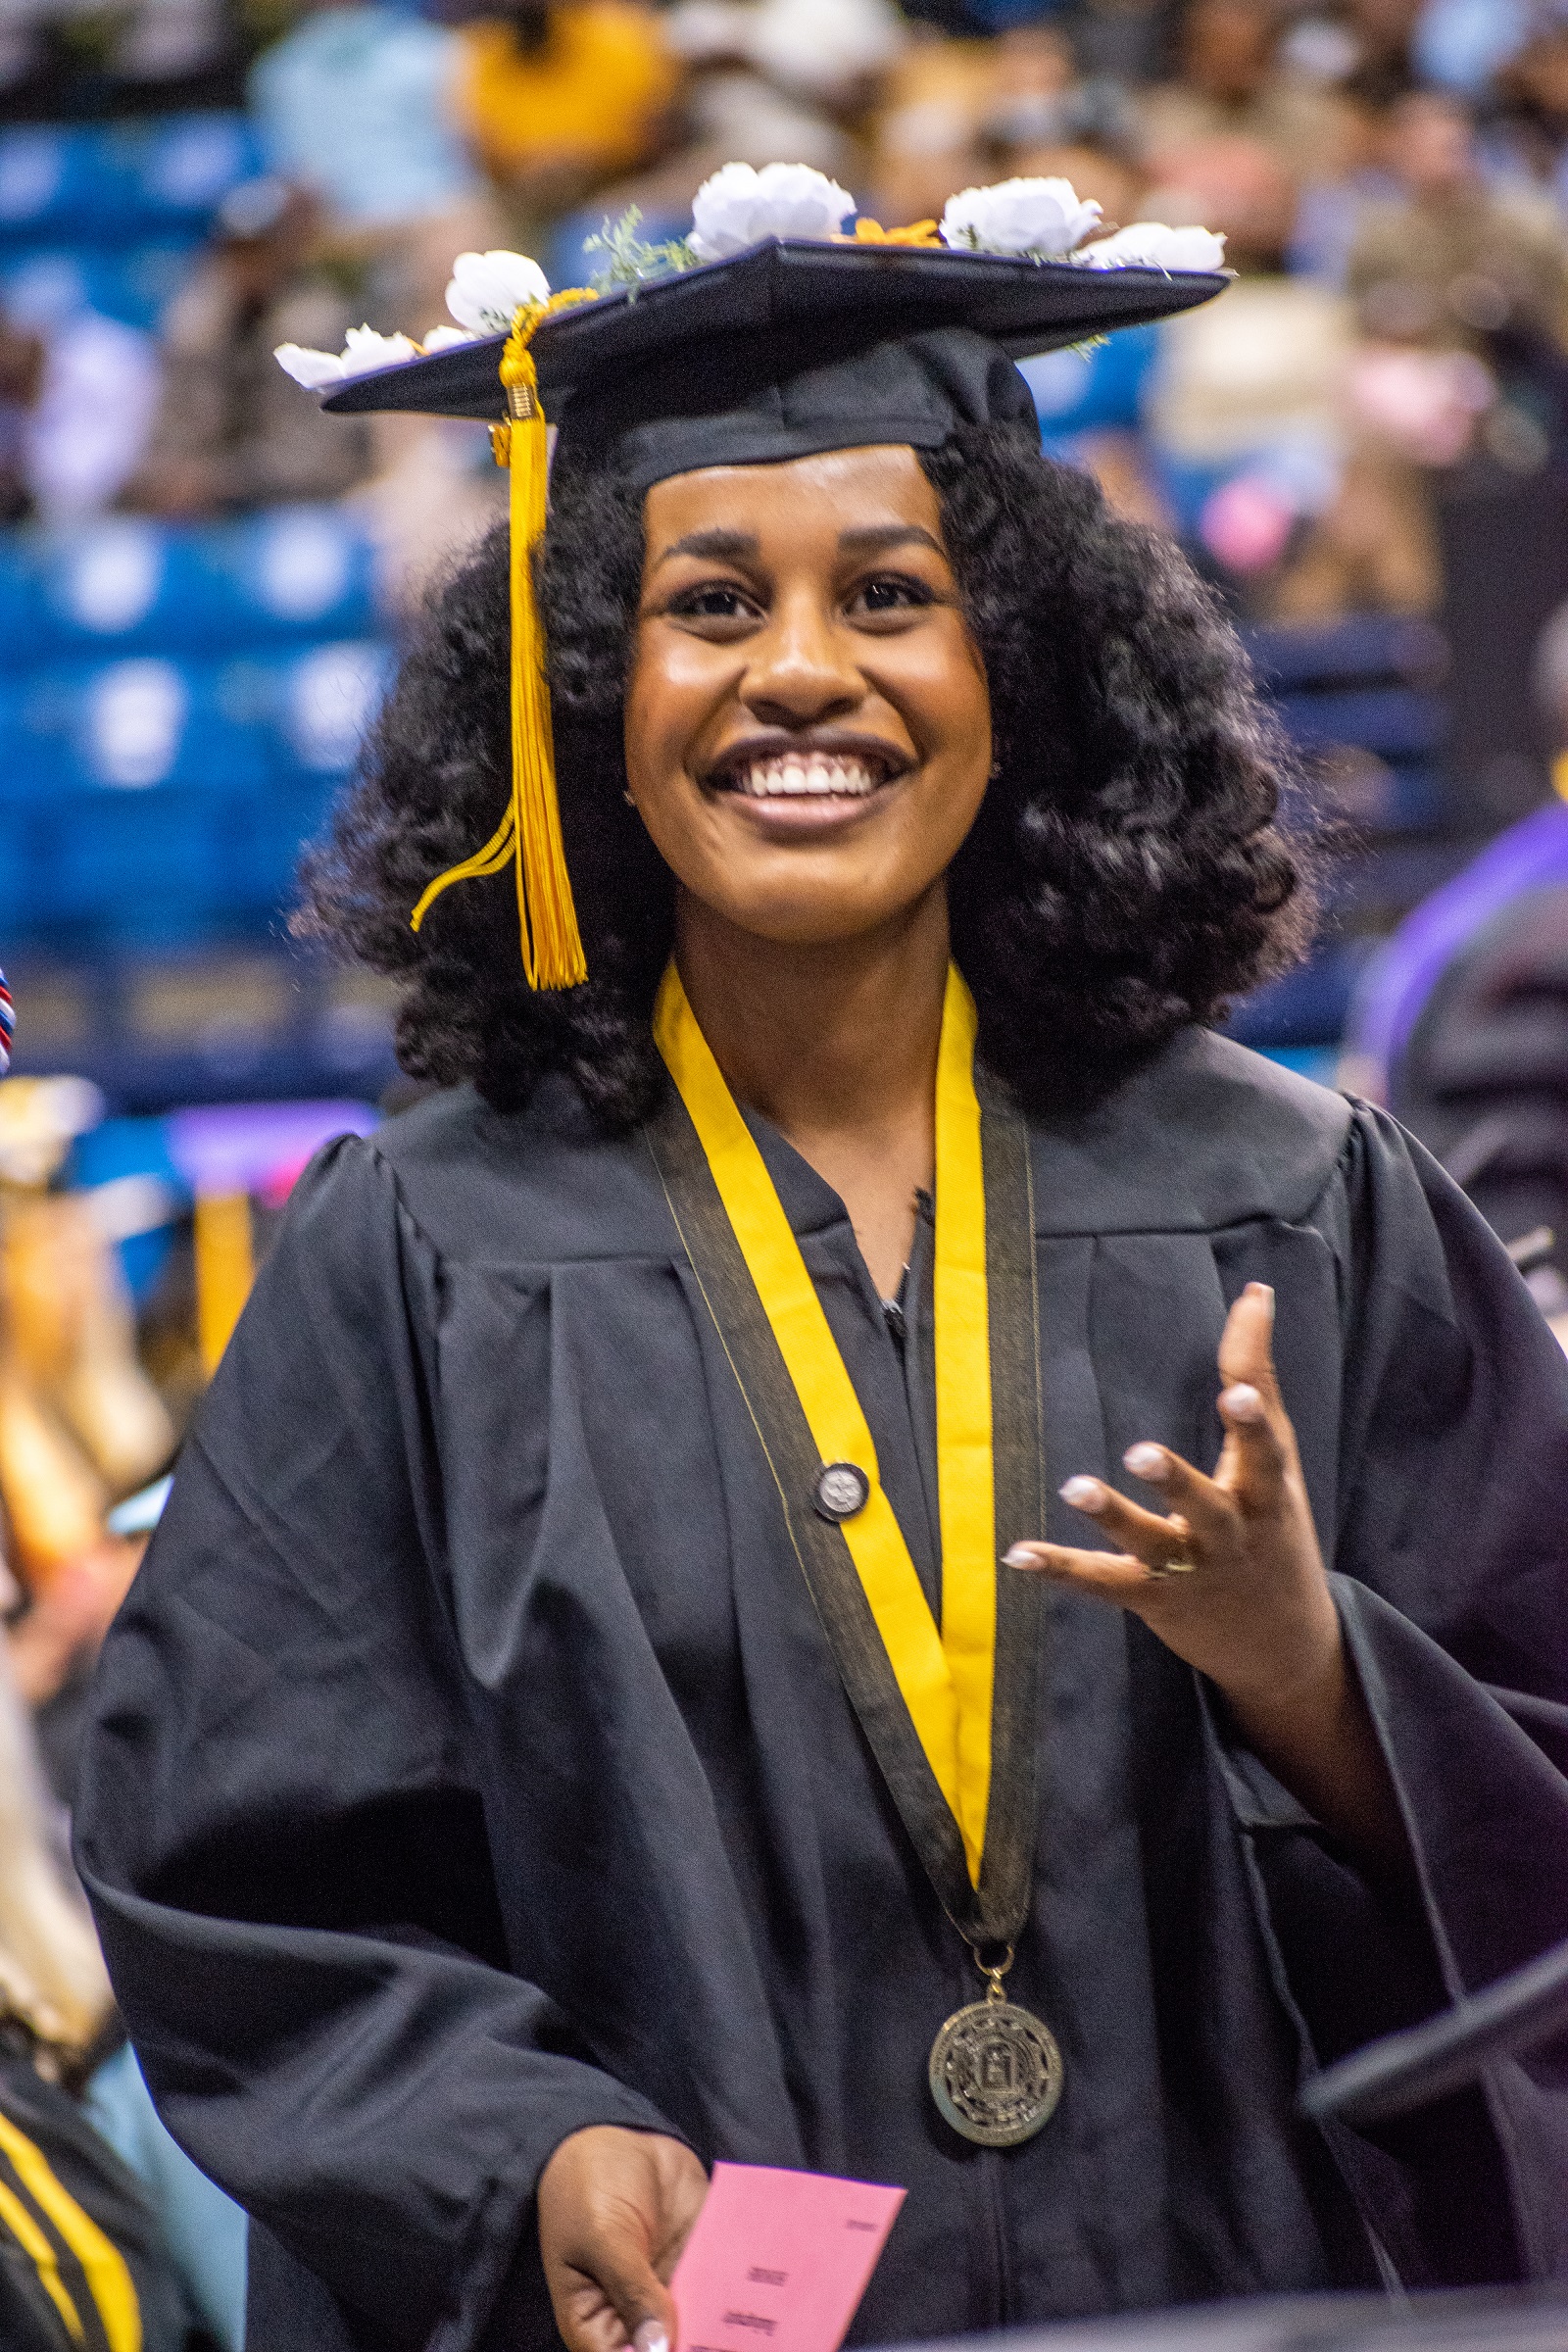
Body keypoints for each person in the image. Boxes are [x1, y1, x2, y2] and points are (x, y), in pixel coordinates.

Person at [75, 170, 1568, 2352]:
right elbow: (246, 1869)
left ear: (1020, 663)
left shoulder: (1294, 1199)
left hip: (1240, 2293)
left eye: (889, 593)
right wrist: (528, 2144)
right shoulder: (420, 1256)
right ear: (590, 687)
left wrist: (1310, 1674)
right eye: (706, 605)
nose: (799, 675)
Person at [122, 178, 372, 520]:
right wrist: (172, 476)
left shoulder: (317, 324)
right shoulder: (195, 328)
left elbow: (325, 457)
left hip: (303, 505)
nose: (248, 267)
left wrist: (225, 481)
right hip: (208, 505)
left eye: (258, 253)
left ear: (282, 253)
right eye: (236, 253)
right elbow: (167, 433)